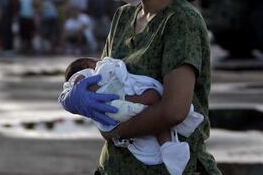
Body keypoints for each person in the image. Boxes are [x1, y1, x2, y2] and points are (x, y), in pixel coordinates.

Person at [59, 0, 221, 174]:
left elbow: (174, 110)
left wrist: (117, 132)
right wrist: (79, 94)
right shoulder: (124, 16)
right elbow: (105, 79)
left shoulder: (182, 22)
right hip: (115, 167)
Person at [62, 57, 204, 175]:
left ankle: (167, 145)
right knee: (153, 98)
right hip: (116, 103)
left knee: (156, 113)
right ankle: (167, 144)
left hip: (115, 108)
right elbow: (78, 83)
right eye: (95, 61)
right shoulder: (84, 73)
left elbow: (173, 112)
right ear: (86, 64)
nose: (99, 61)